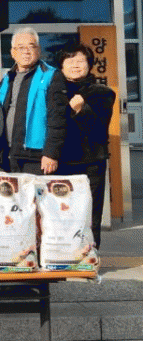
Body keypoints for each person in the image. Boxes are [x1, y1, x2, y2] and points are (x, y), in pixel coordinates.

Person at [56, 44, 116, 248]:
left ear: (89, 65)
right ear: (61, 66)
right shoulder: (54, 92)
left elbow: (99, 128)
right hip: (60, 162)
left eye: (80, 60)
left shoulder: (102, 92)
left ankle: (89, 255)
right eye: (70, 60)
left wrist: (81, 110)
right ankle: (62, 254)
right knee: (60, 212)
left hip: (90, 162)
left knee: (89, 214)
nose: (75, 65)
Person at [0, 27, 68, 175]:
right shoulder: (7, 78)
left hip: (37, 157)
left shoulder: (51, 76)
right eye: (21, 47)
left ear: (39, 50)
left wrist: (51, 153)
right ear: (12, 52)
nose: (26, 51)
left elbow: (58, 118)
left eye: (31, 46)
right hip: (9, 154)